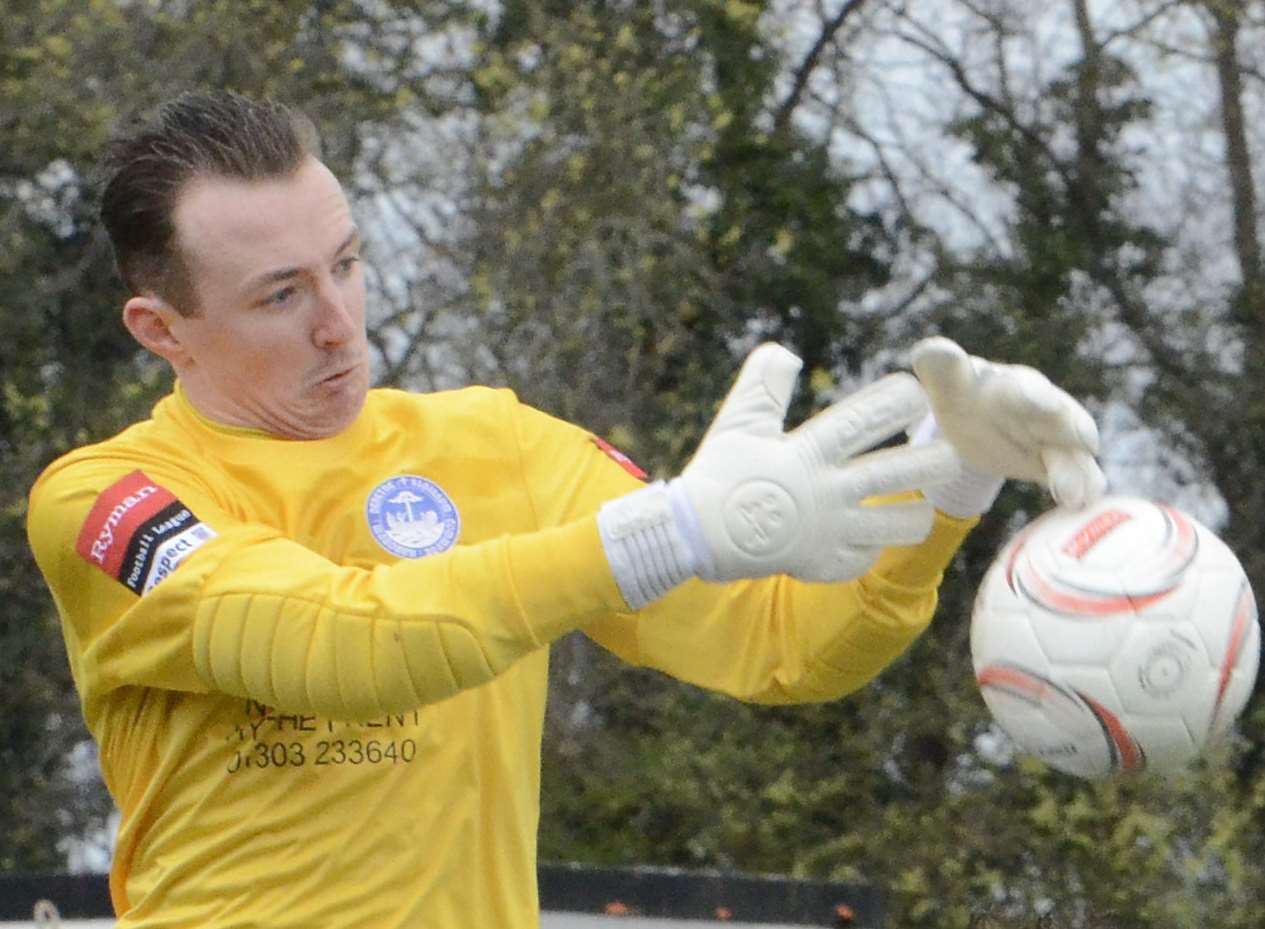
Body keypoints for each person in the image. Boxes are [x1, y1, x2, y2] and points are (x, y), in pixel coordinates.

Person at [26, 91, 1105, 928]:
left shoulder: (495, 444)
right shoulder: (106, 500)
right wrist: (668, 527)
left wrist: (950, 479)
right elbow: (339, 643)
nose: (338, 323)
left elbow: (784, 644)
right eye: (280, 293)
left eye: (346, 265)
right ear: (159, 327)